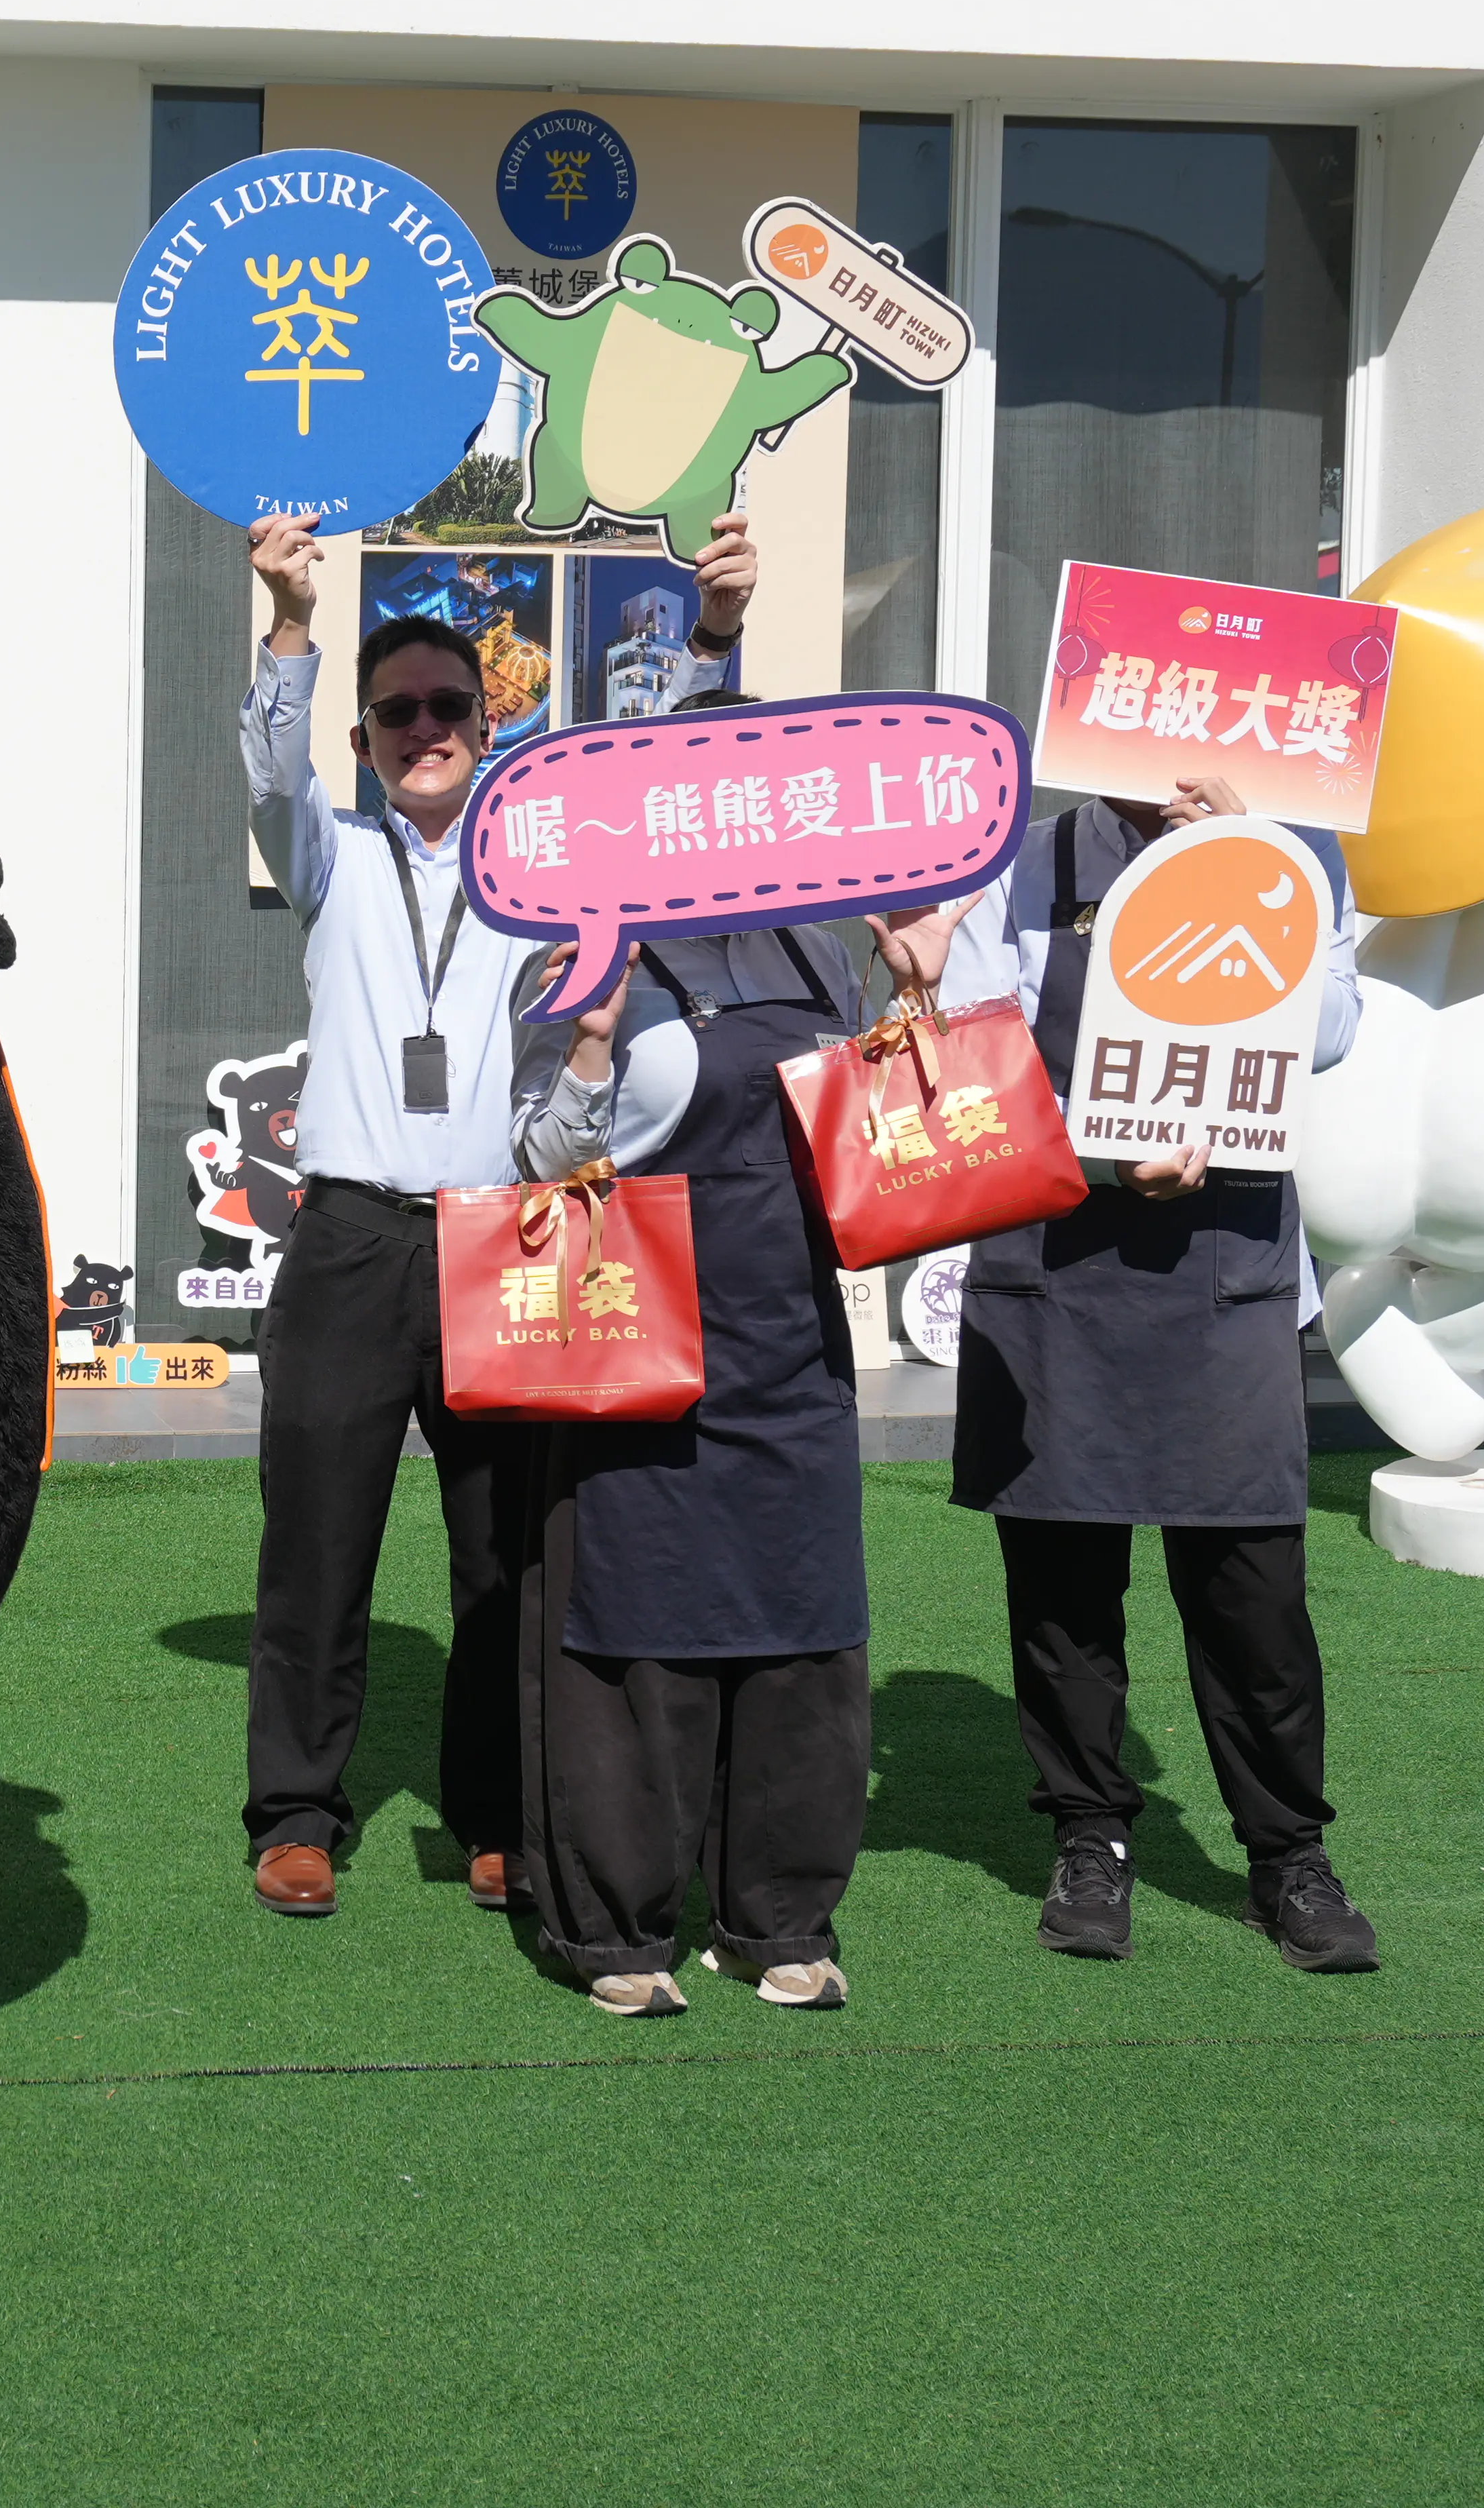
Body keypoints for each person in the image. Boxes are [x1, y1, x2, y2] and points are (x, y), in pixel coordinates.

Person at [232, 512, 747, 1923]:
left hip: (498, 1238)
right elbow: (271, 767)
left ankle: (498, 1811)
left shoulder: (542, 873)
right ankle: (296, 1813)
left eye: (446, 707)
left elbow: (665, 791)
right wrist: (289, 620)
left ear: (485, 722)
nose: (422, 729)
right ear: (365, 739)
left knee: (502, 1554)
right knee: (316, 1546)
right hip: (348, 1240)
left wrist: (710, 641)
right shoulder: (329, 855)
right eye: (394, 713)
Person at [905, 772, 1377, 1973]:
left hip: (1227, 1264)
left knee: (1252, 1588)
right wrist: (1113, 1154)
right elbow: (977, 1057)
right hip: (1061, 1254)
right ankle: (1089, 1833)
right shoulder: (1021, 860)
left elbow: (1326, 1033)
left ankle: (1289, 1858)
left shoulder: (1297, 849)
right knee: (1063, 1582)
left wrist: (1249, 867)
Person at [510, 631, 899, 2018]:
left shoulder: (821, 942)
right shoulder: (576, 946)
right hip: (637, 1341)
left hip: (790, 1338)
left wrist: (911, 990)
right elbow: (538, 1163)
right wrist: (600, 1046)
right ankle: (619, 1928)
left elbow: (878, 1136)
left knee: (802, 1629)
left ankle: (777, 1915)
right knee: (637, 1641)